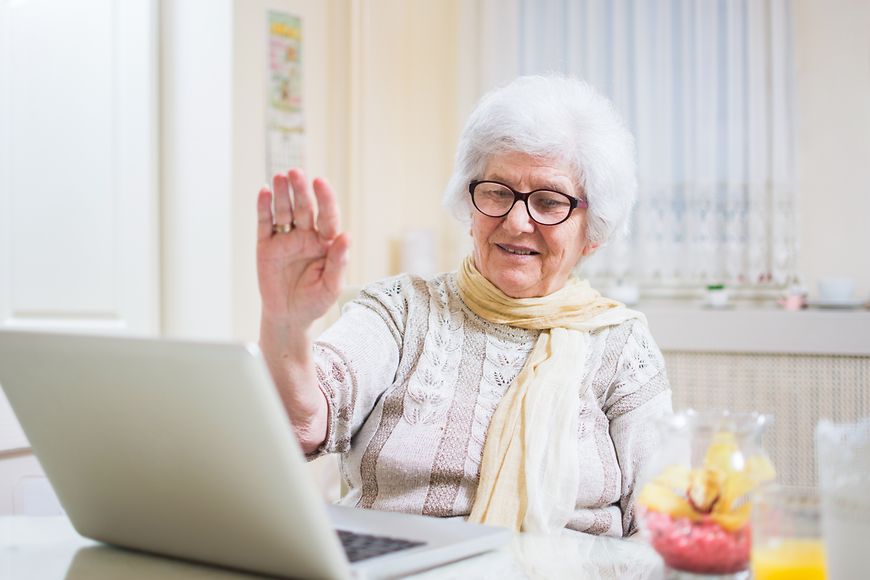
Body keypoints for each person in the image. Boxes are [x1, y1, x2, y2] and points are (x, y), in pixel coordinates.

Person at [255, 74, 672, 537]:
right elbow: (300, 424)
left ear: (592, 232)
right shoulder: (401, 311)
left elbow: (663, 527)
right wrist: (285, 324)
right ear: (469, 202)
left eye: (549, 202)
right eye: (496, 192)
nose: (516, 222)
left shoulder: (621, 346)